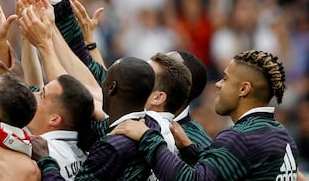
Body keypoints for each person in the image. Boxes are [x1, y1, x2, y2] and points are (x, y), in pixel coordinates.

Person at [113, 49, 300, 180]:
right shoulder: (282, 134)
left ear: (243, 89)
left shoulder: (240, 138)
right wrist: (189, 149)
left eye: (225, 78)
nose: (218, 84)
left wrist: (148, 138)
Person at [26, 75, 94, 180]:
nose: (32, 94)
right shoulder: (87, 155)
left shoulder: (35, 150)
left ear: (54, 119)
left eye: (42, 95)